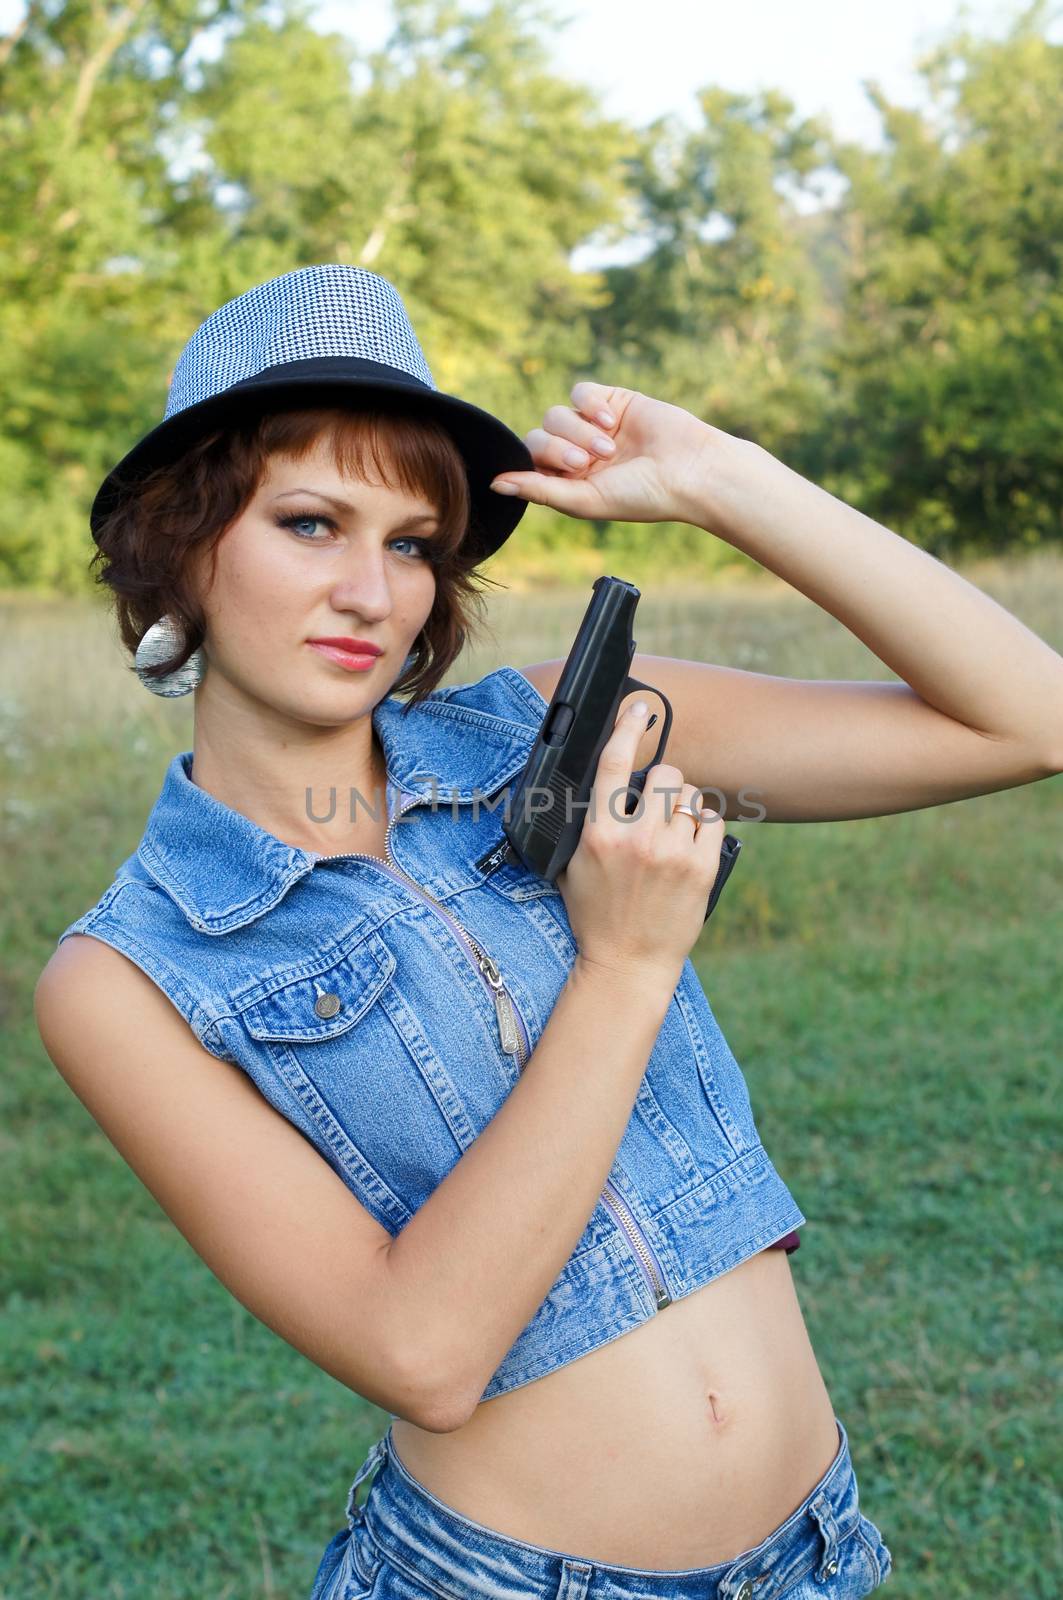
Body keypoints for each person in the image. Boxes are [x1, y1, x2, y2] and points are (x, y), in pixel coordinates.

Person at [34, 265, 1062, 1600]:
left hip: (814, 1553)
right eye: (310, 524)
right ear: (182, 543)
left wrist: (723, 481)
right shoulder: (129, 973)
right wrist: (627, 965)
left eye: (411, 542)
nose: (372, 592)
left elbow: (1027, 720)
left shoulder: (540, 727)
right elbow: (424, 1352)